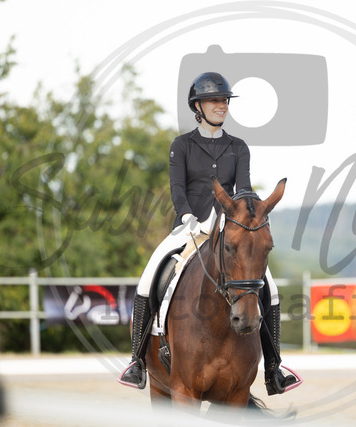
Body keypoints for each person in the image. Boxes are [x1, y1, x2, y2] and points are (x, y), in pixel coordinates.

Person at [118, 72, 300, 395]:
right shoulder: (182, 145)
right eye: (215, 100)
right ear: (197, 107)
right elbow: (177, 188)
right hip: (189, 227)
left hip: (227, 228)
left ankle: (274, 367)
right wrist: (187, 215)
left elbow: (243, 189)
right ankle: (137, 361)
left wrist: (247, 212)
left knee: (268, 287)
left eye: (224, 100)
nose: (222, 105)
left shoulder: (238, 147)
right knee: (150, 275)